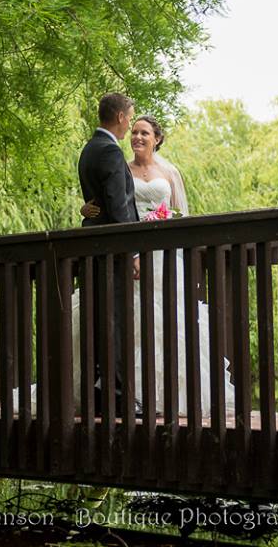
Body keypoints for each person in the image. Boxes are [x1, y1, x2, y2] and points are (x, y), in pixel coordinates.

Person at [76, 114, 235, 417]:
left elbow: (179, 213)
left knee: (167, 321)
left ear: (157, 139)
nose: (137, 137)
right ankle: (129, 392)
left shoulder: (169, 172)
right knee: (129, 320)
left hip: (162, 253)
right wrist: (86, 210)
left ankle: (167, 392)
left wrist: (165, 221)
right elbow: (112, 205)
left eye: (144, 133)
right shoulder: (121, 166)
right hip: (131, 253)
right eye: (134, 132)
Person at [76, 93, 141, 416]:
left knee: (101, 319)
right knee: (114, 320)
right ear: (119, 116)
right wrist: (131, 254)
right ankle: (117, 395)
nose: (130, 123)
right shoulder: (111, 153)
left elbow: (97, 204)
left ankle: (102, 389)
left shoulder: (88, 150)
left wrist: (87, 214)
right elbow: (118, 206)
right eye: (130, 117)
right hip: (113, 251)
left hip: (95, 249)